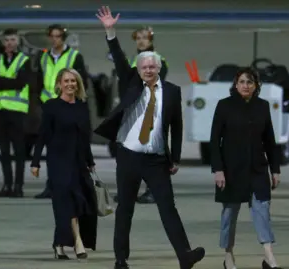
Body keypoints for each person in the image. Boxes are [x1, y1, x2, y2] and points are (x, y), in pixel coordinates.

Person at [94, 6, 205, 269]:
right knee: (126, 211)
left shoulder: (173, 92)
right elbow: (120, 60)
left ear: (158, 68)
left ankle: (185, 256)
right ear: (139, 68)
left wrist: (175, 157)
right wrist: (110, 31)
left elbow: (176, 126)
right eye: (144, 65)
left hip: (156, 160)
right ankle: (121, 259)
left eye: (152, 66)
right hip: (129, 156)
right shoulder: (132, 82)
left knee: (168, 209)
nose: (148, 69)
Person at [210, 67, 282, 269]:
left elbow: (270, 140)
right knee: (229, 214)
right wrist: (218, 170)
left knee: (262, 211)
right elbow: (215, 140)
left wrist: (275, 169)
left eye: (250, 82)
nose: (245, 86)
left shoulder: (262, 106)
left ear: (256, 85)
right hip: (231, 170)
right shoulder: (224, 106)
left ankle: (269, 257)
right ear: (235, 84)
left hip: (257, 169)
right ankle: (228, 255)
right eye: (241, 82)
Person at [30, 68, 97, 260]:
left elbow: (85, 137)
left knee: (78, 202)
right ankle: (77, 243)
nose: (70, 84)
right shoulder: (51, 106)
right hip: (58, 161)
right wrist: (35, 162)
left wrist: (90, 161)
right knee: (65, 202)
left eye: (73, 81)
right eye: (66, 81)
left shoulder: (82, 107)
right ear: (59, 84)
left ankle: (59, 244)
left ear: (78, 84)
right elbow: (42, 135)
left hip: (78, 162)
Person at [112, 26, 169, 204]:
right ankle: (129, 191)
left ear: (151, 40)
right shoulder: (132, 61)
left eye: (144, 38)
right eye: (138, 38)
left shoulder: (158, 60)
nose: (141, 41)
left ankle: (153, 190)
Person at [34, 24, 90, 199]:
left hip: (68, 105)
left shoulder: (74, 56)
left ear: (63, 38)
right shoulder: (44, 57)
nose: (54, 39)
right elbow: (38, 80)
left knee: (71, 147)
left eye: (58, 36)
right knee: (51, 148)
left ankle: (72, 182)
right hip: (49, 106)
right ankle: (51, 185)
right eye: (52, 36)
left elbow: (82, 81)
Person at [0, 28, 32, 198]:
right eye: (7, 40)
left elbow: (21, 83)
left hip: (17, 111)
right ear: (3, 42)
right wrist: (10, 82)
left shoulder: (24, 60)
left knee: (19, 151)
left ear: (18, 41)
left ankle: (18, 187)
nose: (10, 43)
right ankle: (7, 185)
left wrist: (1, 82)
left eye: (13, 40)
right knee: (4, 151)